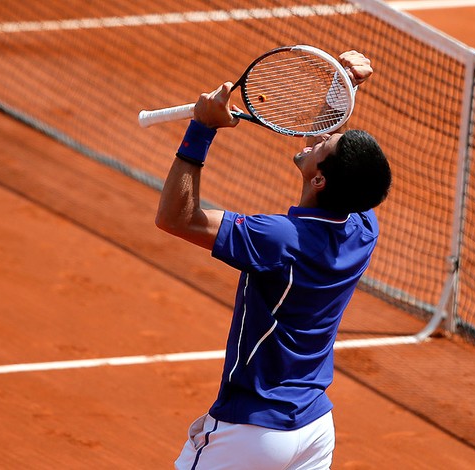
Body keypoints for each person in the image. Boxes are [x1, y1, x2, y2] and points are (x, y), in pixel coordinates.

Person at [156, 50, 392, 470]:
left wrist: (201, 130)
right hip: (314, 429)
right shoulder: (363, 227)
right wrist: (343, 87)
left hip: (251, 433)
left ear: (319, 179)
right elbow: (323, 149)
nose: (318, 136)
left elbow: (176, 218)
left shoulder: (279, 239)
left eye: (326, 144)